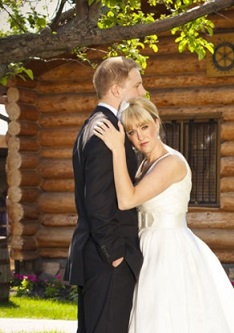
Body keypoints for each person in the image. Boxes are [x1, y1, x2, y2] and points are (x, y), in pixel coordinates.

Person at [93, 97, 234, 333]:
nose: (140, 136)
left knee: (169, 314)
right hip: (147, 245)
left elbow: (127, 199)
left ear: (157, 123)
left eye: (144, 127)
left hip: (169, 248)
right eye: (131, 132)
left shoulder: (171, 162)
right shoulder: (144, 164)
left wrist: (118, 149)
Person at [65, 56, 146, 333]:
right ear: (116, 90)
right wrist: (115, 254)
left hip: (95, 255)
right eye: (137, 85)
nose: (142, 92)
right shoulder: (105, 130)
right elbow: (98, 200)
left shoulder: (93, 124)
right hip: (107, 258)